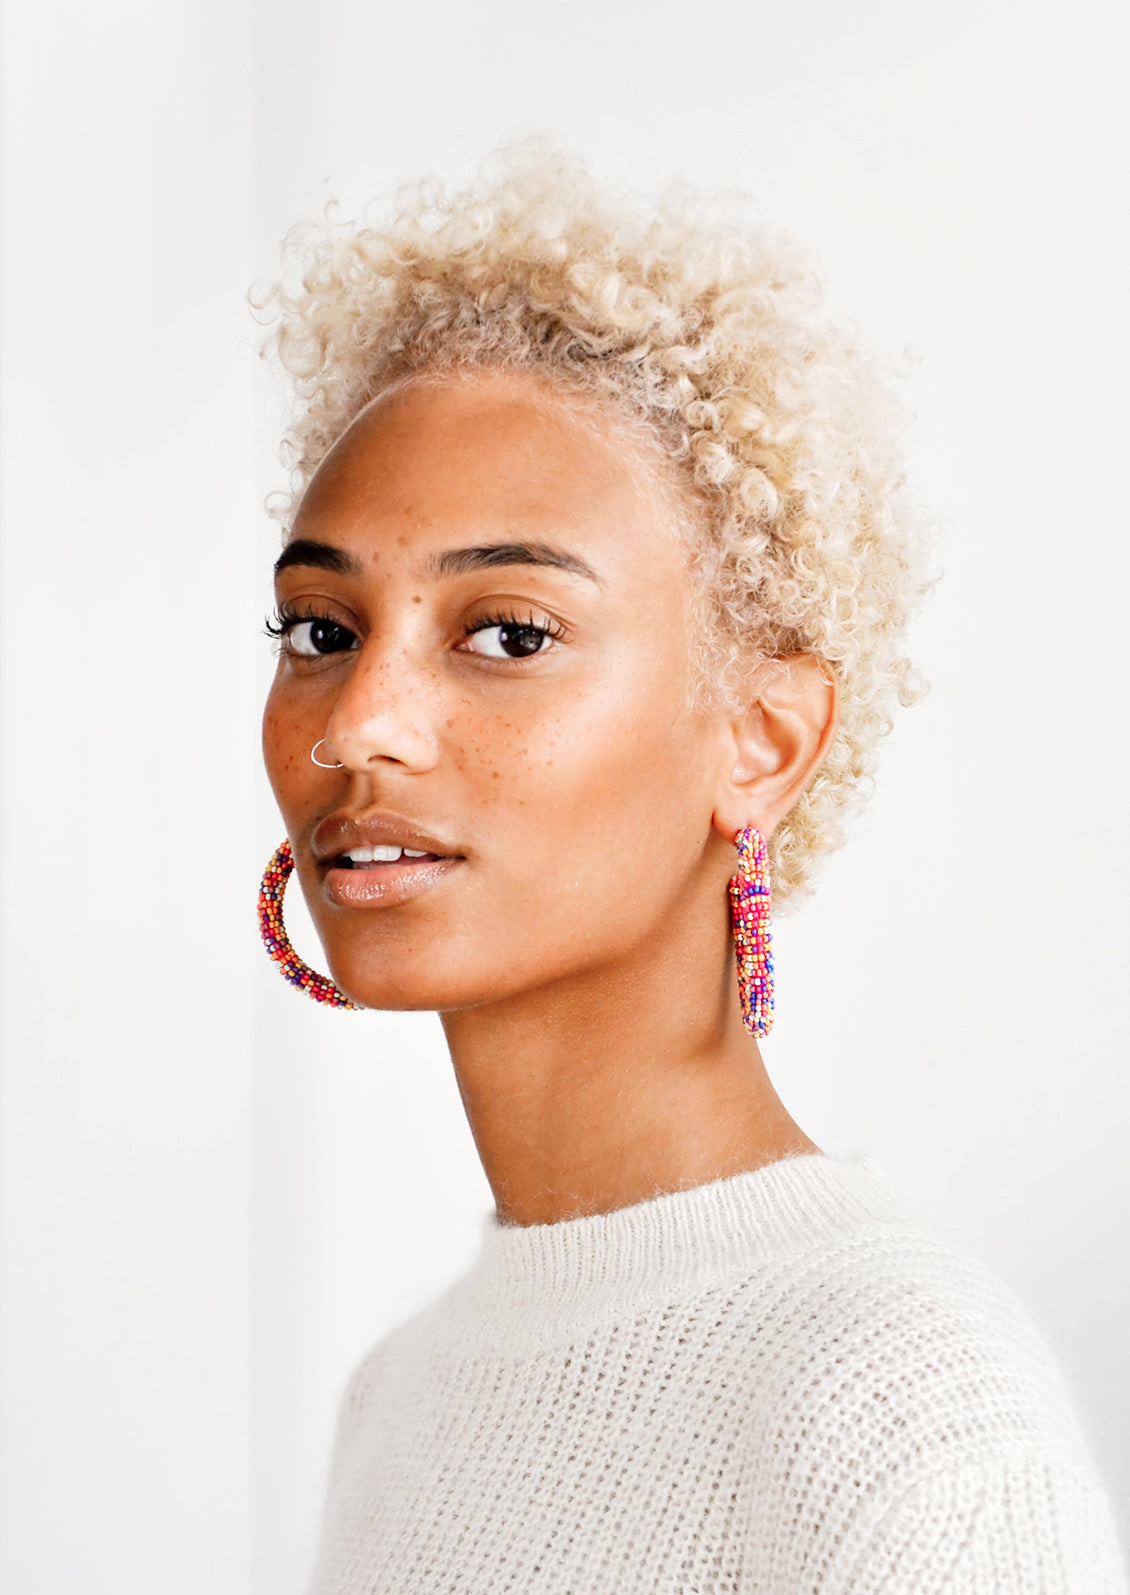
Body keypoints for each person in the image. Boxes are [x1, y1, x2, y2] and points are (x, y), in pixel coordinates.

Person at [255, 143, 1127, 1593]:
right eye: (320, 631)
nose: (358, 726)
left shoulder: (905, 1414)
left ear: (762, 740)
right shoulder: (396, 1398)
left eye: (508, 632)